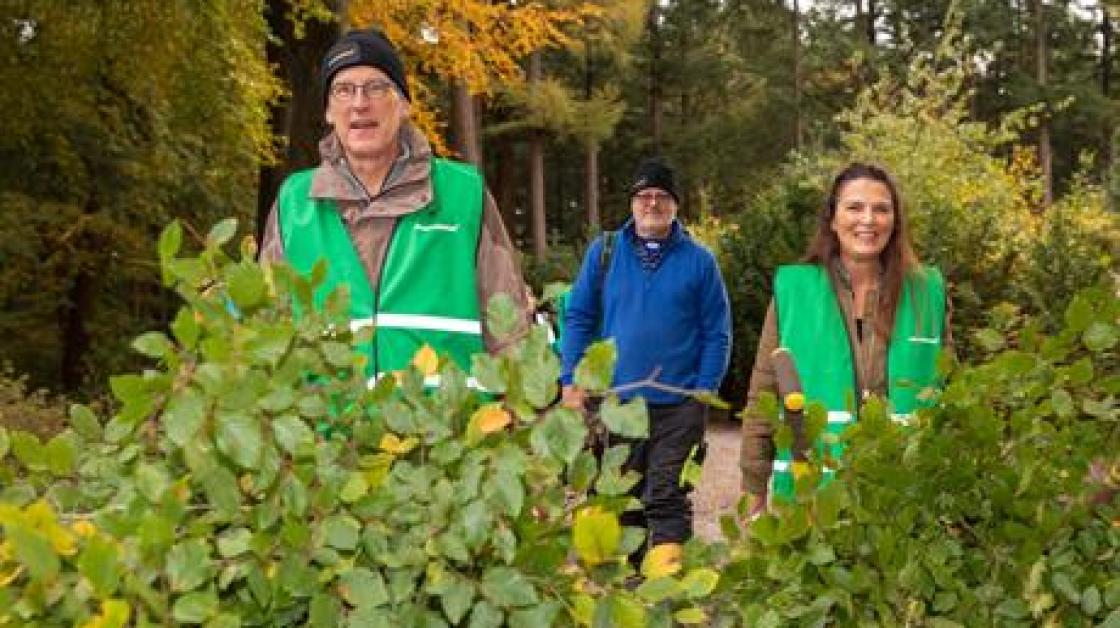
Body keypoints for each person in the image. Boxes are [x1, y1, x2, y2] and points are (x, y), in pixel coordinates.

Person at [260, 29, 531, 386]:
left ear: (403, 104)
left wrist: (518, 412)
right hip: (328, 438)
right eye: (344, 90)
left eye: (376, 87)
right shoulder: (295, 202)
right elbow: (264, 331)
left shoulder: (462, 194)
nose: (359, 103)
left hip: (447, 432)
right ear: (328, 110)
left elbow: (508, 323)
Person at [740, 162, 950, 514]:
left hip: (902, 494)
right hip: (813, 494)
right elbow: (762, 392)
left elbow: (949, 392)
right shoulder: (795, 290)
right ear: (833, 219)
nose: (868, 219)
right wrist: (753, 487)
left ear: (895, 221)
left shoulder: (926, 291)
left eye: (881, 209)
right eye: (854, 207)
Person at [560, 158, 732, 565]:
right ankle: (628, 585)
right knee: (618, 497)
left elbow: (717, 331)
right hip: (617, 404)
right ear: (632, 202)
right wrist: (571, 379)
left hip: (679, 404)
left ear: (675, 205)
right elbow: (579, 317)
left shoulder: (700, 261)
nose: (652, 204)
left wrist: (704, 391)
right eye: (644, 196)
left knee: (667, 493)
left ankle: (670, 587)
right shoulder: (602, 253)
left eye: (661, 197)